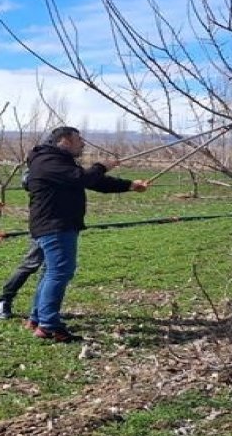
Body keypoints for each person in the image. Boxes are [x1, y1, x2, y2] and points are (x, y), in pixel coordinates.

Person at [22, 126, 148, 342]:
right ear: (64, 141)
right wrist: (101, 166)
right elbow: (82, 178)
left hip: (55, 225)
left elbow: (93, 181)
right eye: (79, 139)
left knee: (51, 272)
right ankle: (49, 326)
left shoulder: (57, 161)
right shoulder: (48, 161)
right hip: (55, 225)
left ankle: (37, 317)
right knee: (59, 272)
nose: (83, 143)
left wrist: (129, 185)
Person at [0, 238, 43, 319]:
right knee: (31, 263)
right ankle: (3, 300)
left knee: (52, 269)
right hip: (46, 229)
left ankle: (44, 307)